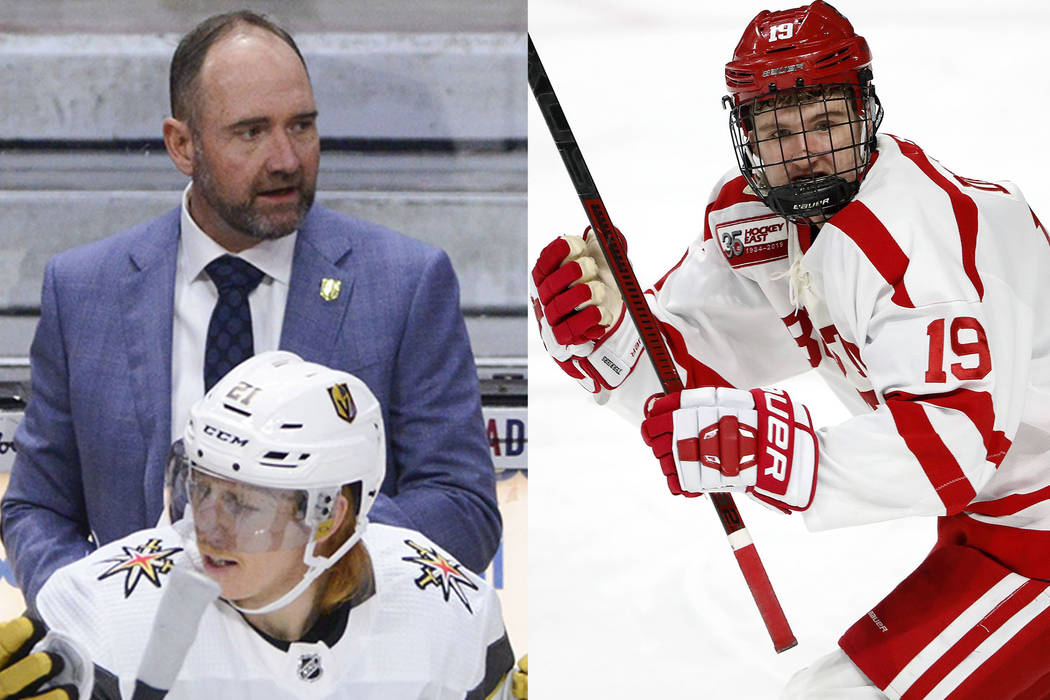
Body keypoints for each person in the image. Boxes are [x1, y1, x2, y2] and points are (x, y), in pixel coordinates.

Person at [531, 1, 1050, 697]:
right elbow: (693, 369)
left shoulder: (920, 244)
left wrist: (769, 450)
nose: (803, 152)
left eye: (826, 123)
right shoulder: (760, 221)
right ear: (745, 136)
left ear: (866, 112)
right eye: (777, 131)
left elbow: (947, 452)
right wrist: (610, 335)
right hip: (993, 515)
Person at [2, 10, 500, 605]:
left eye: (303, 126)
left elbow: (463, 506)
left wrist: (311, 565)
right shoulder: (84, 289)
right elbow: (37, 507)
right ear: (182, 145)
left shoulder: (405, 283)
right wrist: (95, 611)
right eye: (251, 132)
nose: (287, 158)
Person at [2, 351, 522, 699]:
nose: (207, 524)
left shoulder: (447, 609)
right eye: (200, 487)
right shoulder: (101, 614)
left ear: (329, 516)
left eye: (243, 504)